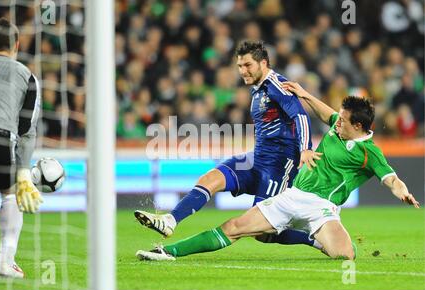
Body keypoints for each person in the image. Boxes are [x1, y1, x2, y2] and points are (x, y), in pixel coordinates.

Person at [136, 82, 420, 261]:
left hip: (322, 208)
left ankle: (315, 237)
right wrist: (305, 94)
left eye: (343, 121)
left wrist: (403, 192)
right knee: (235, 228)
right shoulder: (338, 127)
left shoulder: (370, 153)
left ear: (358, 126)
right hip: (292, 195)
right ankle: (167, 252)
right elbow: (326, 113)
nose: (336, 122)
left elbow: (391, 179)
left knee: (345, 254)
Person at [135, 40, 323, 251]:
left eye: (248, 65)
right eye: (240, 66)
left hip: (279, 165)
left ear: (263, 63)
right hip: (256, 158)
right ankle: (170, 220)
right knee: (210, 179)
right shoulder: (257, 88)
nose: (242, 71)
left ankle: (315, 239)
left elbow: (300, 115)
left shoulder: (277, 85)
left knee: (262, 232)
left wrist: (306, 148)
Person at [0, 18, 43, 278]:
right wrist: (24, 171)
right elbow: (27, 128)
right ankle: (6, 261)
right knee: (10, 194)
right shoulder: (25, 75)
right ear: (16, 44)